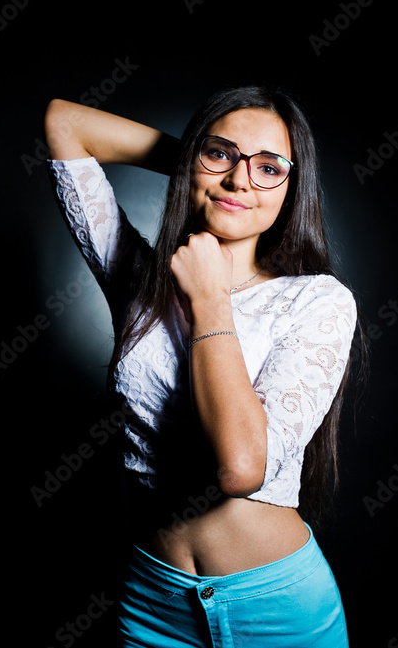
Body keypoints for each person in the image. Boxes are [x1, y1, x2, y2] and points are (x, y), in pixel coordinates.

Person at [44, 85, 359, 647]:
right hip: (151, 603)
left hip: (276, 610)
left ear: (292, 190)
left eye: (269, 168)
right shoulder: (140, 283)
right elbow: (65, 123)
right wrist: (202, 166)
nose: (241, 180)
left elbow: (241, 469)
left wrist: (210, 298)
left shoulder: (317, 300)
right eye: (221, 154)